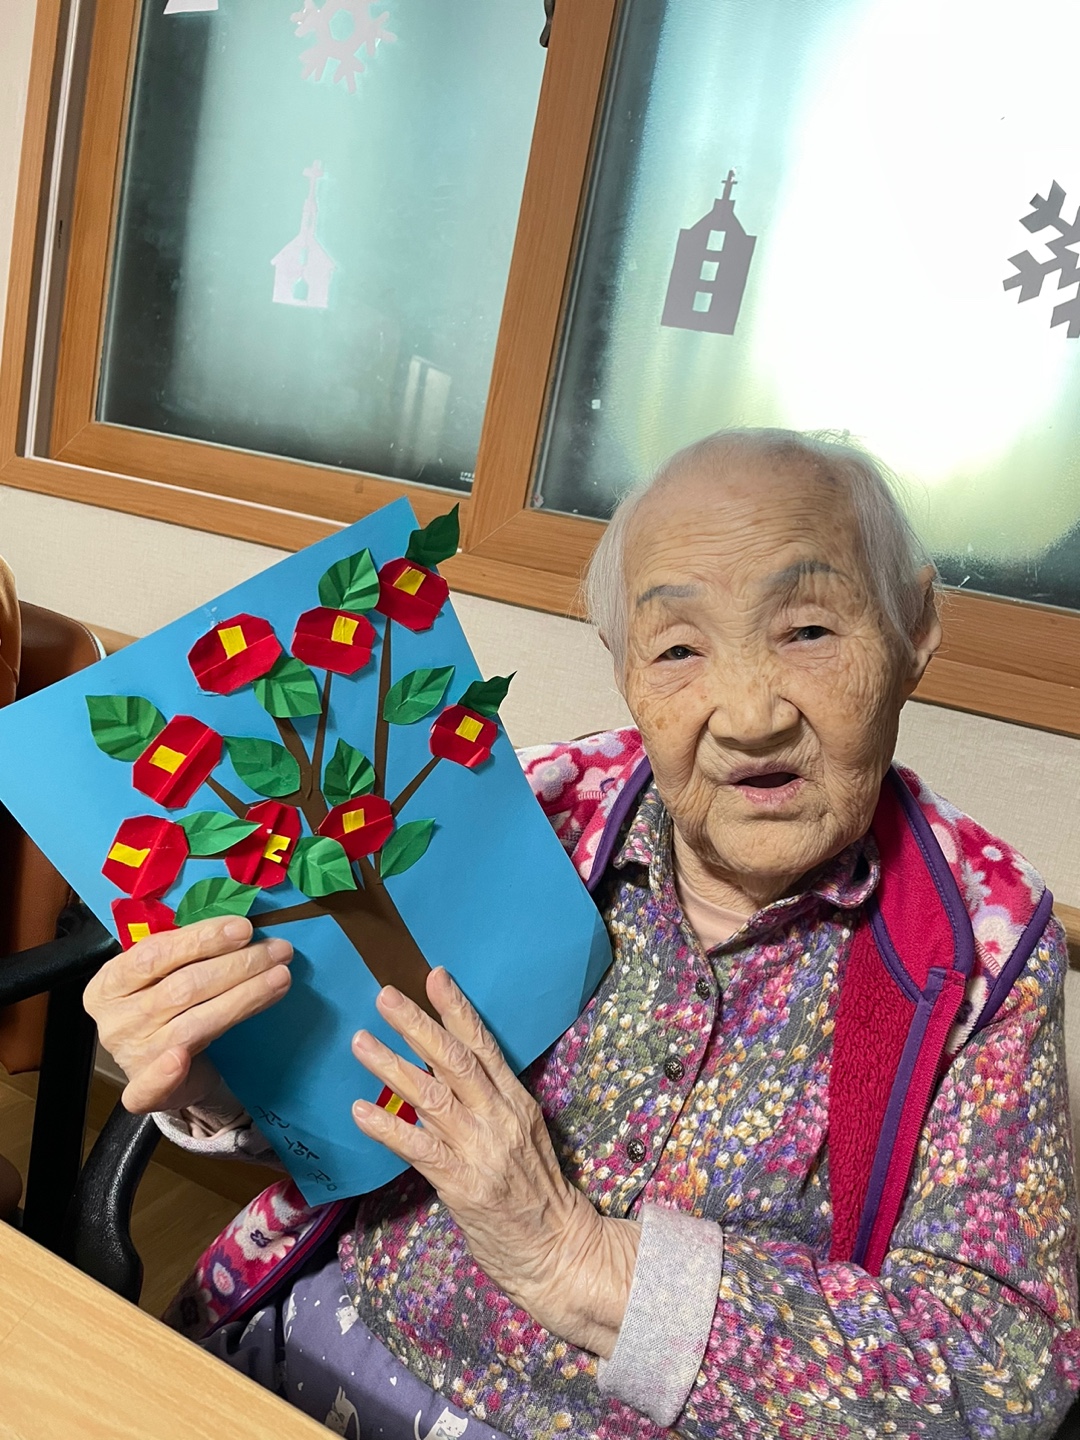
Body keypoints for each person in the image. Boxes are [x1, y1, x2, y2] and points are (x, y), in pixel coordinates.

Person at [84, 429, 1080, 1439]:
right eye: (679, 648)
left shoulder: (981, 947)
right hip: (309, 1354)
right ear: (623, 666)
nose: (749, 716)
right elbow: (356, 1105)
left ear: (914, 630)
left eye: (809, 630)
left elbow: (1004, 1372)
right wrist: (221, 1075)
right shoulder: (530, 810)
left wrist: (575, 1257)